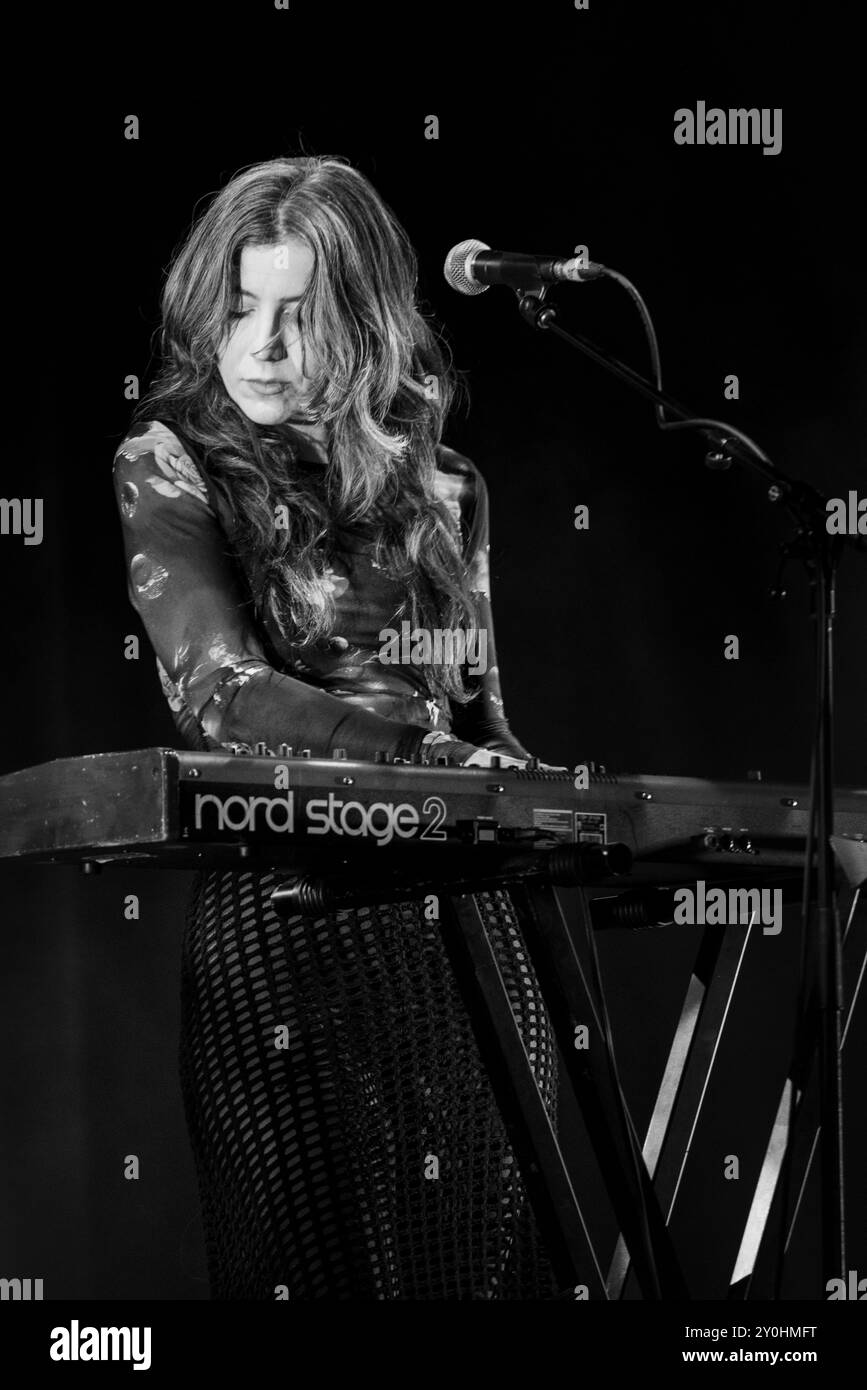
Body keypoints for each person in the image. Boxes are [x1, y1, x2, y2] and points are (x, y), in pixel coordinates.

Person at [113, 155, 563, 1299]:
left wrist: (545, 786)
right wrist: (426, 760)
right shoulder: (170, 464)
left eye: (297, 314)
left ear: (363, 329)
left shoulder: (448, 485)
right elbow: (219, 689)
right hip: (283, 911)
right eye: (240, 308)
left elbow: (480, 708)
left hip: (456, 912)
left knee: (468, 1274)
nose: (258, 343)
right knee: (302, 1277)